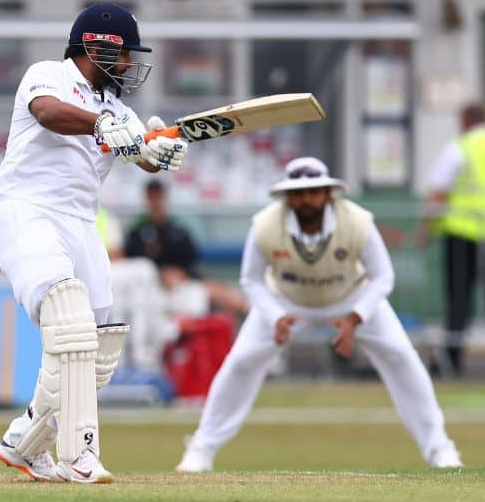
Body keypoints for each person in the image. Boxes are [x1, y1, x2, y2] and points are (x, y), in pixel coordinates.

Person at [0, 2, 189, 483]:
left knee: (98, 349)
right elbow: (47, 113)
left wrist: (157, 148)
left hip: (80, 224)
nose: (128, 66)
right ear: (99, 47)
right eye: (124, 56)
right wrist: (102, 126)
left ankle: (25, 441)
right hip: (27, 209)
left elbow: (142, 155)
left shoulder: (119, 109)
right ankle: (80, 455)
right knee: (68, 317)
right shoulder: (47, 76)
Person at [176, 157, 462, 472]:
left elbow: (382, 277)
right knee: (240, 362)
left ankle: (440, 449)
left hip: (350, 296)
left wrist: (355, 317)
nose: (307, 199)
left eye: (314, 191)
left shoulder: (357, 222)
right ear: (287, 196)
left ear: (328, 193)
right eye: (299, 193)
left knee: (402, 357)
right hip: (286, 300)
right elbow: (251, 280)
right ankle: (201, 450)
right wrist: (274, 316)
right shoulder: (265, 225)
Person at [425, 104, 485, 375]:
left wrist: (427, 228)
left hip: (462, 231)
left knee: (459, 295)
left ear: (465, 120)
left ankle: (453, 357)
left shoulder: (460, 147)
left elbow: (438, 190)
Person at [126, 179, 248, 316]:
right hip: (153, 289)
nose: (156, 202)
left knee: (226, 295)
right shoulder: (137, 232)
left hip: (184, 282)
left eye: (159, 197)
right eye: (152, 197)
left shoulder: (177, 230)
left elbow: (191, 261)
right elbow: (133, 265)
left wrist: (180, 274)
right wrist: (161, 275)